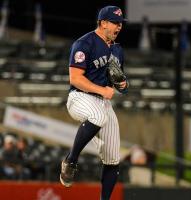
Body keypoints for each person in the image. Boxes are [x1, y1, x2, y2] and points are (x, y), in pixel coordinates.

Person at [60, 5, 128, 200]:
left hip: (102, 102)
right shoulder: (84, 43)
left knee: (113, 158)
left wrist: (123, 84)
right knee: (97, 116)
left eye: (120, 24)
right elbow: (75, 78)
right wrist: (102, 90)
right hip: (79, 97)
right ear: (103, 23)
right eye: (115, 23)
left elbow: (120, 82)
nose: (118, 27)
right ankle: (70, 161)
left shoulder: (117, 49)